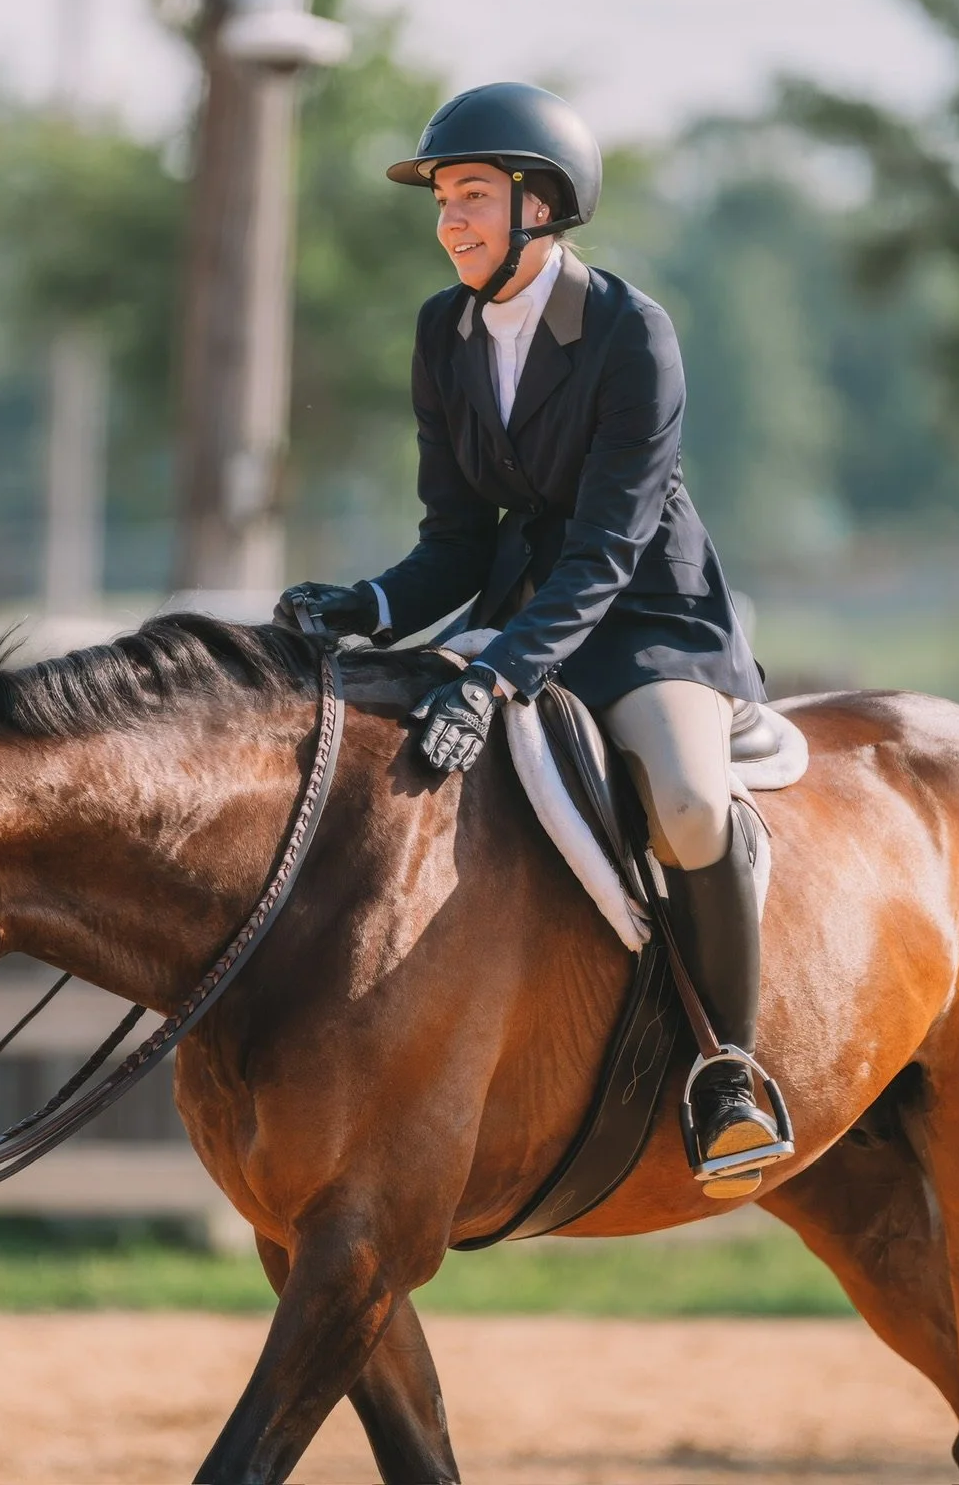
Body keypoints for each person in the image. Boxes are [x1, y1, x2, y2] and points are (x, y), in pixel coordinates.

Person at [277, 82, 791, 1195]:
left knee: (694, 805)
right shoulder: (444, 331)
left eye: (471, 195)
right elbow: (455, 543)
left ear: (541, 205)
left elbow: (609, 547)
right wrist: (362, 607)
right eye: (444, 199)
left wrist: (500, 670)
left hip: (647, 619)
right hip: (515, 609)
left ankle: (730, 1074)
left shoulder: (627, 332)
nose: (449, 220)